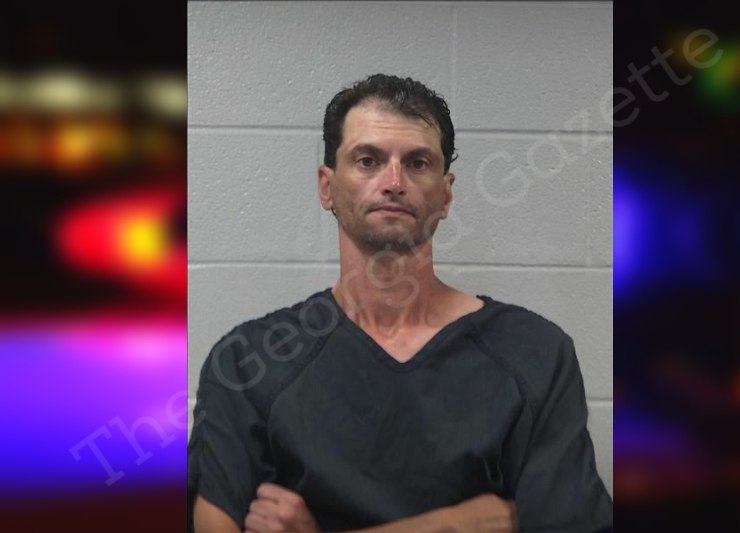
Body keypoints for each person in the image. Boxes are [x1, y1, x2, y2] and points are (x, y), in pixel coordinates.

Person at [188, 73, 613, 533]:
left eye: (417, 163)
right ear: (327, 186)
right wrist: (461, 524)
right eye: (367, 160)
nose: (393, 182)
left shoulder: (536, 353)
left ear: (446, 194)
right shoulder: (249, 362)